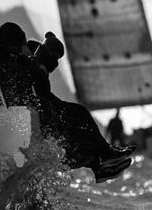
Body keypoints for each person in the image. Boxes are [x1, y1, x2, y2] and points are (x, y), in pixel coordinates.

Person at [28, 32, 135, 182]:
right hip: (45, 120)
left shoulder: (38, 69)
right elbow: (43, 99)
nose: (56, 61)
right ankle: (105, 153)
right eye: (53, 54)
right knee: (80, 113)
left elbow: (45, 98)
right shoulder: (34, 67)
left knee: (85, 146)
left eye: (58, 57)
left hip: (46, 118)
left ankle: (100, 168)